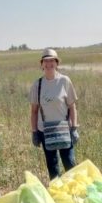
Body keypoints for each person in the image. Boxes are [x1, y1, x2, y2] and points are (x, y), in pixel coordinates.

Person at [29, 48, 79, 179]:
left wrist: (74, 128)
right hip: (45, 131)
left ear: (57, 63)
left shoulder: (64, 81)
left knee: (70, 164)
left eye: (52, 61)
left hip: (64, 130)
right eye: (46, 61)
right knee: (52, 166)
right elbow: (34, 111)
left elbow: (72, 107)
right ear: (42, 64)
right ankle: (57, 194)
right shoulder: (37, 84)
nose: (49, 64)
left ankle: (73, 193)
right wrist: (34, 132)